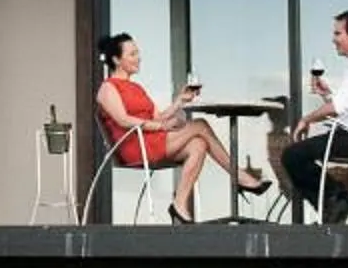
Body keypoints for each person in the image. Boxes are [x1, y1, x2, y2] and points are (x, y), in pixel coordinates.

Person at [93, 32, 269, 224]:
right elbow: (124, 120)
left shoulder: (136, 88)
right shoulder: (108, 88)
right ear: (116, 59)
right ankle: (240, 177)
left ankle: (179, 204)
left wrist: (180, 101)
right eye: (133, 54)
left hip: (152, 140)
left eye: (138, 53)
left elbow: (158, 117)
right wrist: (161, 126)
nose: (139, 58)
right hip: (135, 147)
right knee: (200, 125)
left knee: (199, 144)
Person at [274, 9, 348, 224]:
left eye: (338, 34)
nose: (333, 39)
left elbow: (338, 108)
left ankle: (337, 199)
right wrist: (326, 94)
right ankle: (333, 204)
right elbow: (347, 108)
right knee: (295, 155)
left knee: (293, 155)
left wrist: (306, 119)